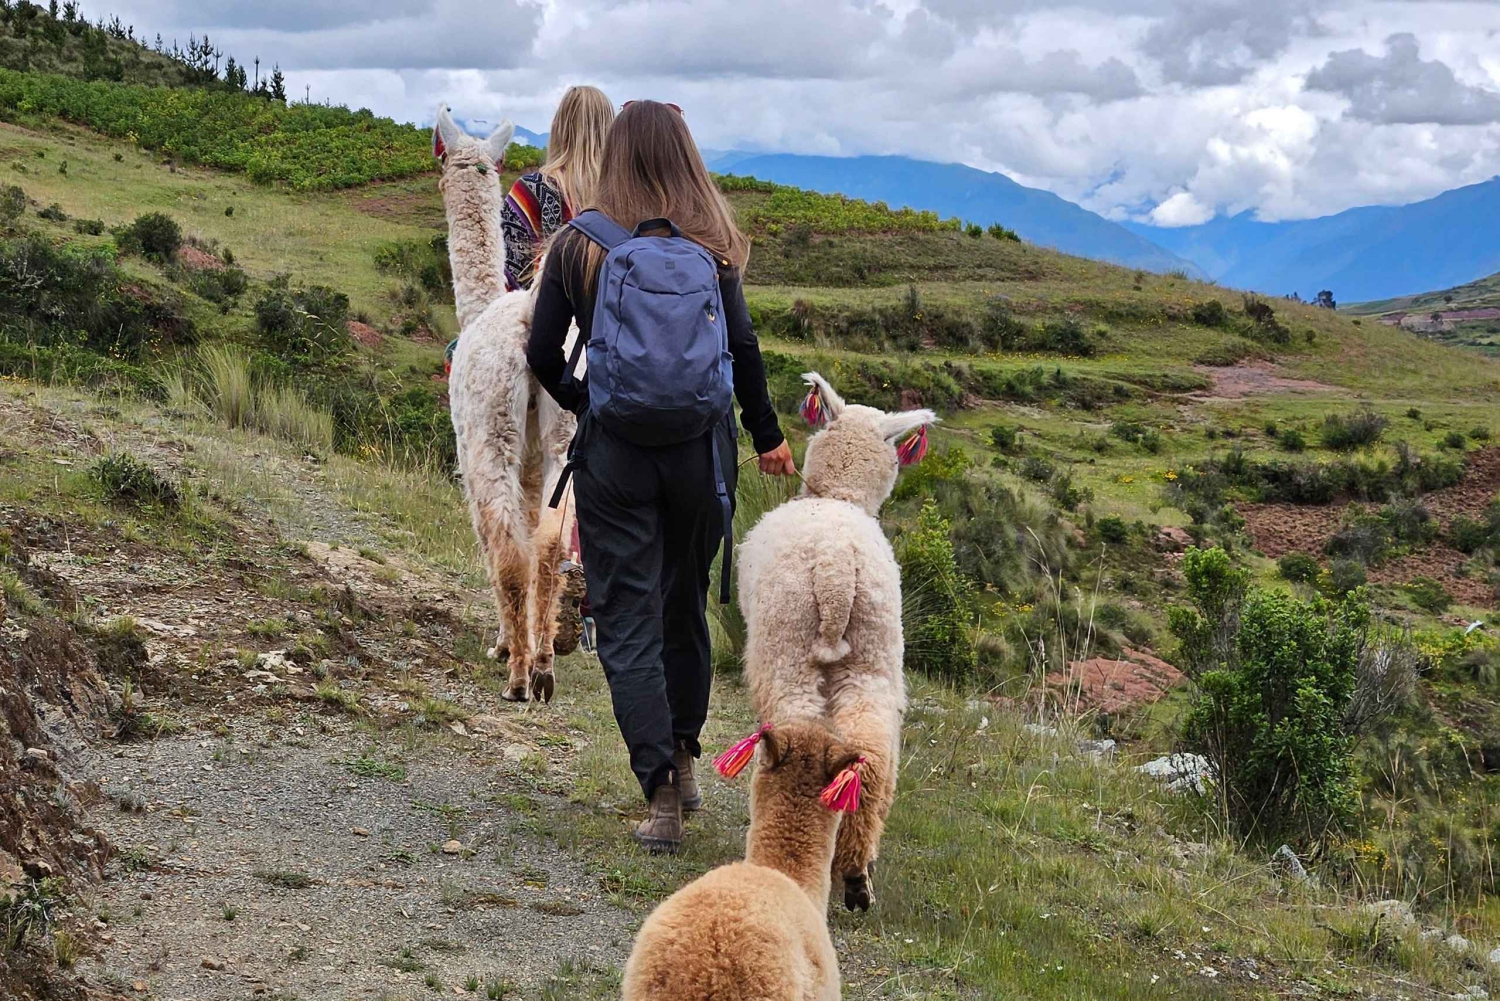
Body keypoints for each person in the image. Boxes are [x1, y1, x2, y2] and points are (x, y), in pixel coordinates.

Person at [526, 100, 797, 854]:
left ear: (614, 158)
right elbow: (743, 351)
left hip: (615, 455)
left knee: (626, 614)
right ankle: (684, 754)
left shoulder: (581, 244)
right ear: (685, 155)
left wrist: (591, 403)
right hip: (701, 454)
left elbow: (543, 352)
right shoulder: (714, 246)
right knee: (684, 605)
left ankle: (660, 792)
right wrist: (768, 435)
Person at [501, 85, 615, 291]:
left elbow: (509, 277)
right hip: (612, 320)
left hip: (540, 318)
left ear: (559, 127)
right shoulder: (624, 195)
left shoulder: (530, 191)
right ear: (611, 130)